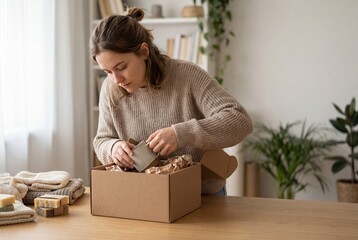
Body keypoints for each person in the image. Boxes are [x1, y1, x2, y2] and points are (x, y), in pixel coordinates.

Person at [90, 7, 253, 195]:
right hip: (146, 195)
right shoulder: (110, 89)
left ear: (143, 51)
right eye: (107, 72)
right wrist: (113, 148)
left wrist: (181, 134)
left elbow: (240, 120)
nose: (116, 79)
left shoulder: (187, 75)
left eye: (121, 67)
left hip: (203, 196)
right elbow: (102, 140)